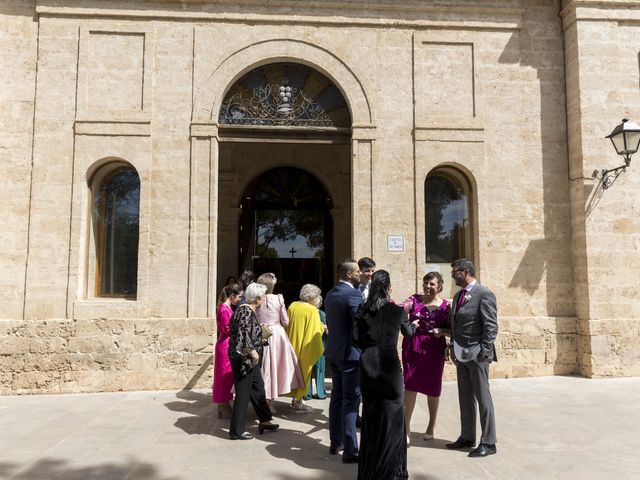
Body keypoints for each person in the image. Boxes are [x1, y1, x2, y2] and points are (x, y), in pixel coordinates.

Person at [353, 270, 416, 480]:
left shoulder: (362, 311)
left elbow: (356, 339)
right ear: (389, 288)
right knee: (394, 419)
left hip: (368, 365)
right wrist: (413, 324)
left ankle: (370, 471)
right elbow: (409, 333)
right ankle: (393, 471)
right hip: (389, 367)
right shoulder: (397, 311)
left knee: (371, 418)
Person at [446, 258, 498, 458]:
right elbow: (454, 324)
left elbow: (491, 325)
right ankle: (467, 436)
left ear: (466, 271)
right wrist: (451, 346)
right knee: (464, 396)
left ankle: (489, 441)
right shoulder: (458, 295)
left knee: (483, 398)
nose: (452, 275)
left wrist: (484, 350)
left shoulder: (484, 294)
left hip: (478, 354)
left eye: (455, 271)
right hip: (461, 354)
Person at [401, 272, 451, 444]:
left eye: (431, 284)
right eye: (425, 283)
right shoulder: (413, 300)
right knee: (410, 385)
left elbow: (454, 329)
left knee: (433, 387)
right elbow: (400, 311)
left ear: (439, 287)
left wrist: (442, 331)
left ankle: (431, 425)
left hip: (434, 348)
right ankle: (406, 428)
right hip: (412, 346)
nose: (427, 286)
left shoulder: (446, 306)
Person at [227, 282, 279, 440]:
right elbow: (243, 337)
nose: (263, 300)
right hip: (245, 359)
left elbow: (247, 333)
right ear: (257, 299)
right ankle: (236, 431)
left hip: (249, 358)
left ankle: (264, 420)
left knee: (258, 388)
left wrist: (259, 335)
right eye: (262, 298)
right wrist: (254, 354)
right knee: (243, 393)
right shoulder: (245, 311)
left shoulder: (247, 311)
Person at [324, 259, 363, 464]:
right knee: (351, 401)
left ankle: (335, 441)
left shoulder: (330, 293)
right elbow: (361, 322)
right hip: (350, 355)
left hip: (334, 352)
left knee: (337, 398)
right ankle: (350, 449)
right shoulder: (353, 294)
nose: (360, 275)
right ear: (349, 274)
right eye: (357, 272)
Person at [255, 273, 304, 414]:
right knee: (275, 368)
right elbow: (286, 321)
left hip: (260, 332)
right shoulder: (278, 298)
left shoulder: (257, 299)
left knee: (263, 368)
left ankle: (261, 402)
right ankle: (269, 404)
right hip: (277, 334)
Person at [286, 284, 326, 412]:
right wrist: (323, 327)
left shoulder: (292, 306)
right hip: (304, 346)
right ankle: (298, 402)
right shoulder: (312, 310)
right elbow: (315, 330)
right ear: (311, 297)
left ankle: (295, 400)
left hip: (292, 343)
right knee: (304, 372)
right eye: (316, 296)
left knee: (293, 373)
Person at [212, 283, 243, 418]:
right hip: (225, 345)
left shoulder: (227, 307)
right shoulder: (224, 309)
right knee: (224, 377)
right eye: (239, 297)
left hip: (227, 344)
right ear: (232, 296)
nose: (240, 299)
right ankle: (224, 405)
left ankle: (224, 404)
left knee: (228, 376)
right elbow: (226, 329)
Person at [304, 294, 327, 400]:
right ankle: (319, 393)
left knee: (311, 369)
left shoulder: (320, 314)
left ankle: (308, 393)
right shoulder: (321, 314)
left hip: (312, 345)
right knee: (319, 370)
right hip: (318, 345)